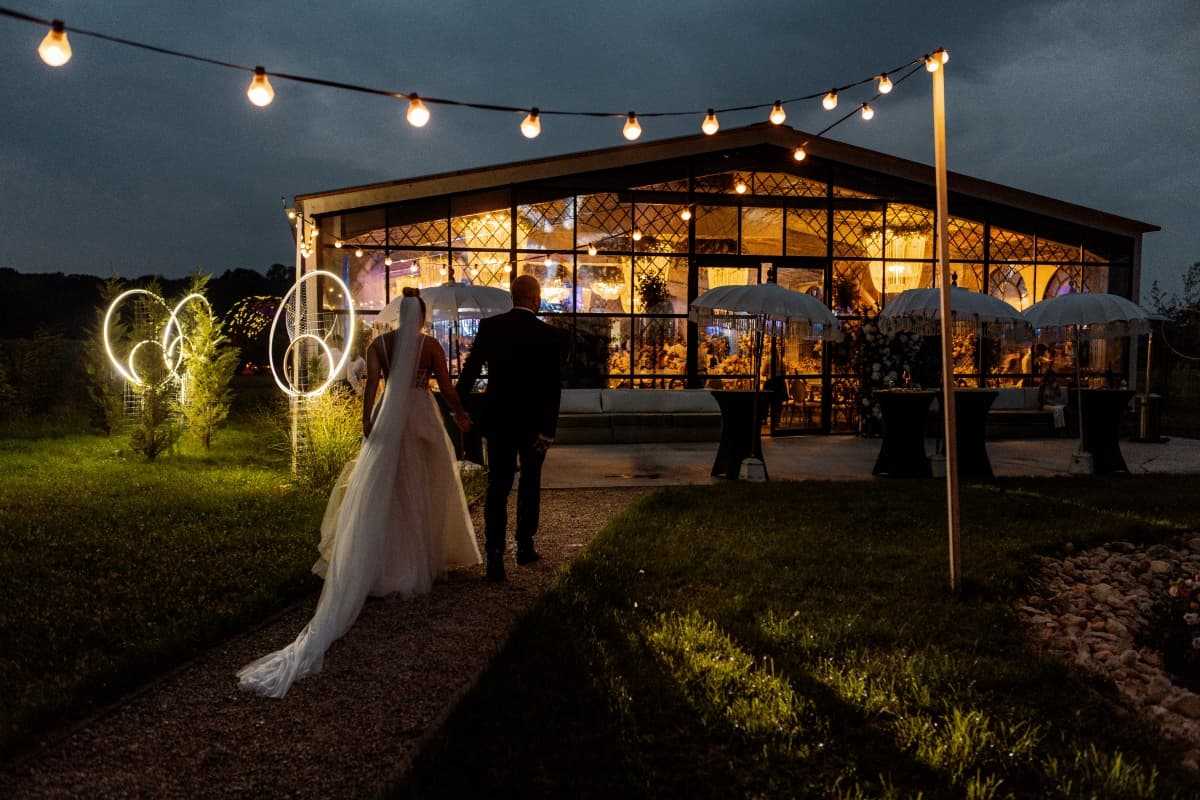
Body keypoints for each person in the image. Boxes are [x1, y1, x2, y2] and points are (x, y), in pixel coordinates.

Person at [237, 288, 480, 698]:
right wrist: (459, 413)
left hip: (390, 415)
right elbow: (445, 387)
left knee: (389, 490)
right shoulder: (430, 345)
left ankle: (384, 561)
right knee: (422, 485)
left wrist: (368, 420)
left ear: (398, 315)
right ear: (419, 317)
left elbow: (371, 387)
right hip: (420, 417)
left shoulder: (378, 344)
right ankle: (416, 559)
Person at [456, 274, 562, 582]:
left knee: (498, 486)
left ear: (512, 298)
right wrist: (548, 430)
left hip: (499, 421)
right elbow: (553, 388)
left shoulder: (491, 328)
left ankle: (495, 555)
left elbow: (469, 374)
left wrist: (463, 409)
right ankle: (525, 545)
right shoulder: (549, 335)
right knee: (530, 483)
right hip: (533, 424)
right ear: (535, 299)